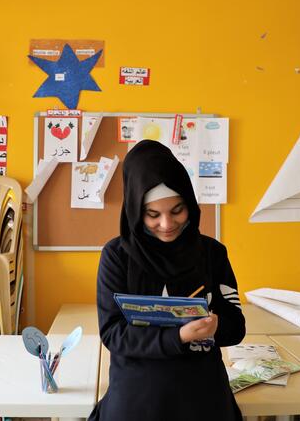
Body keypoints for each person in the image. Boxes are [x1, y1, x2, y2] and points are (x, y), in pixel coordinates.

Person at [89, 140, 245, 421]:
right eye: (152, 214)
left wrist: (218, 325)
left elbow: (237, 327)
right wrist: (178, 337)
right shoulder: (117, 256)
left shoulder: (212, 253)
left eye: (177, 211)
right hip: (138, 395)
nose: (166, 224)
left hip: (202, 394)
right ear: (136, 212)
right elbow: (113, 333)